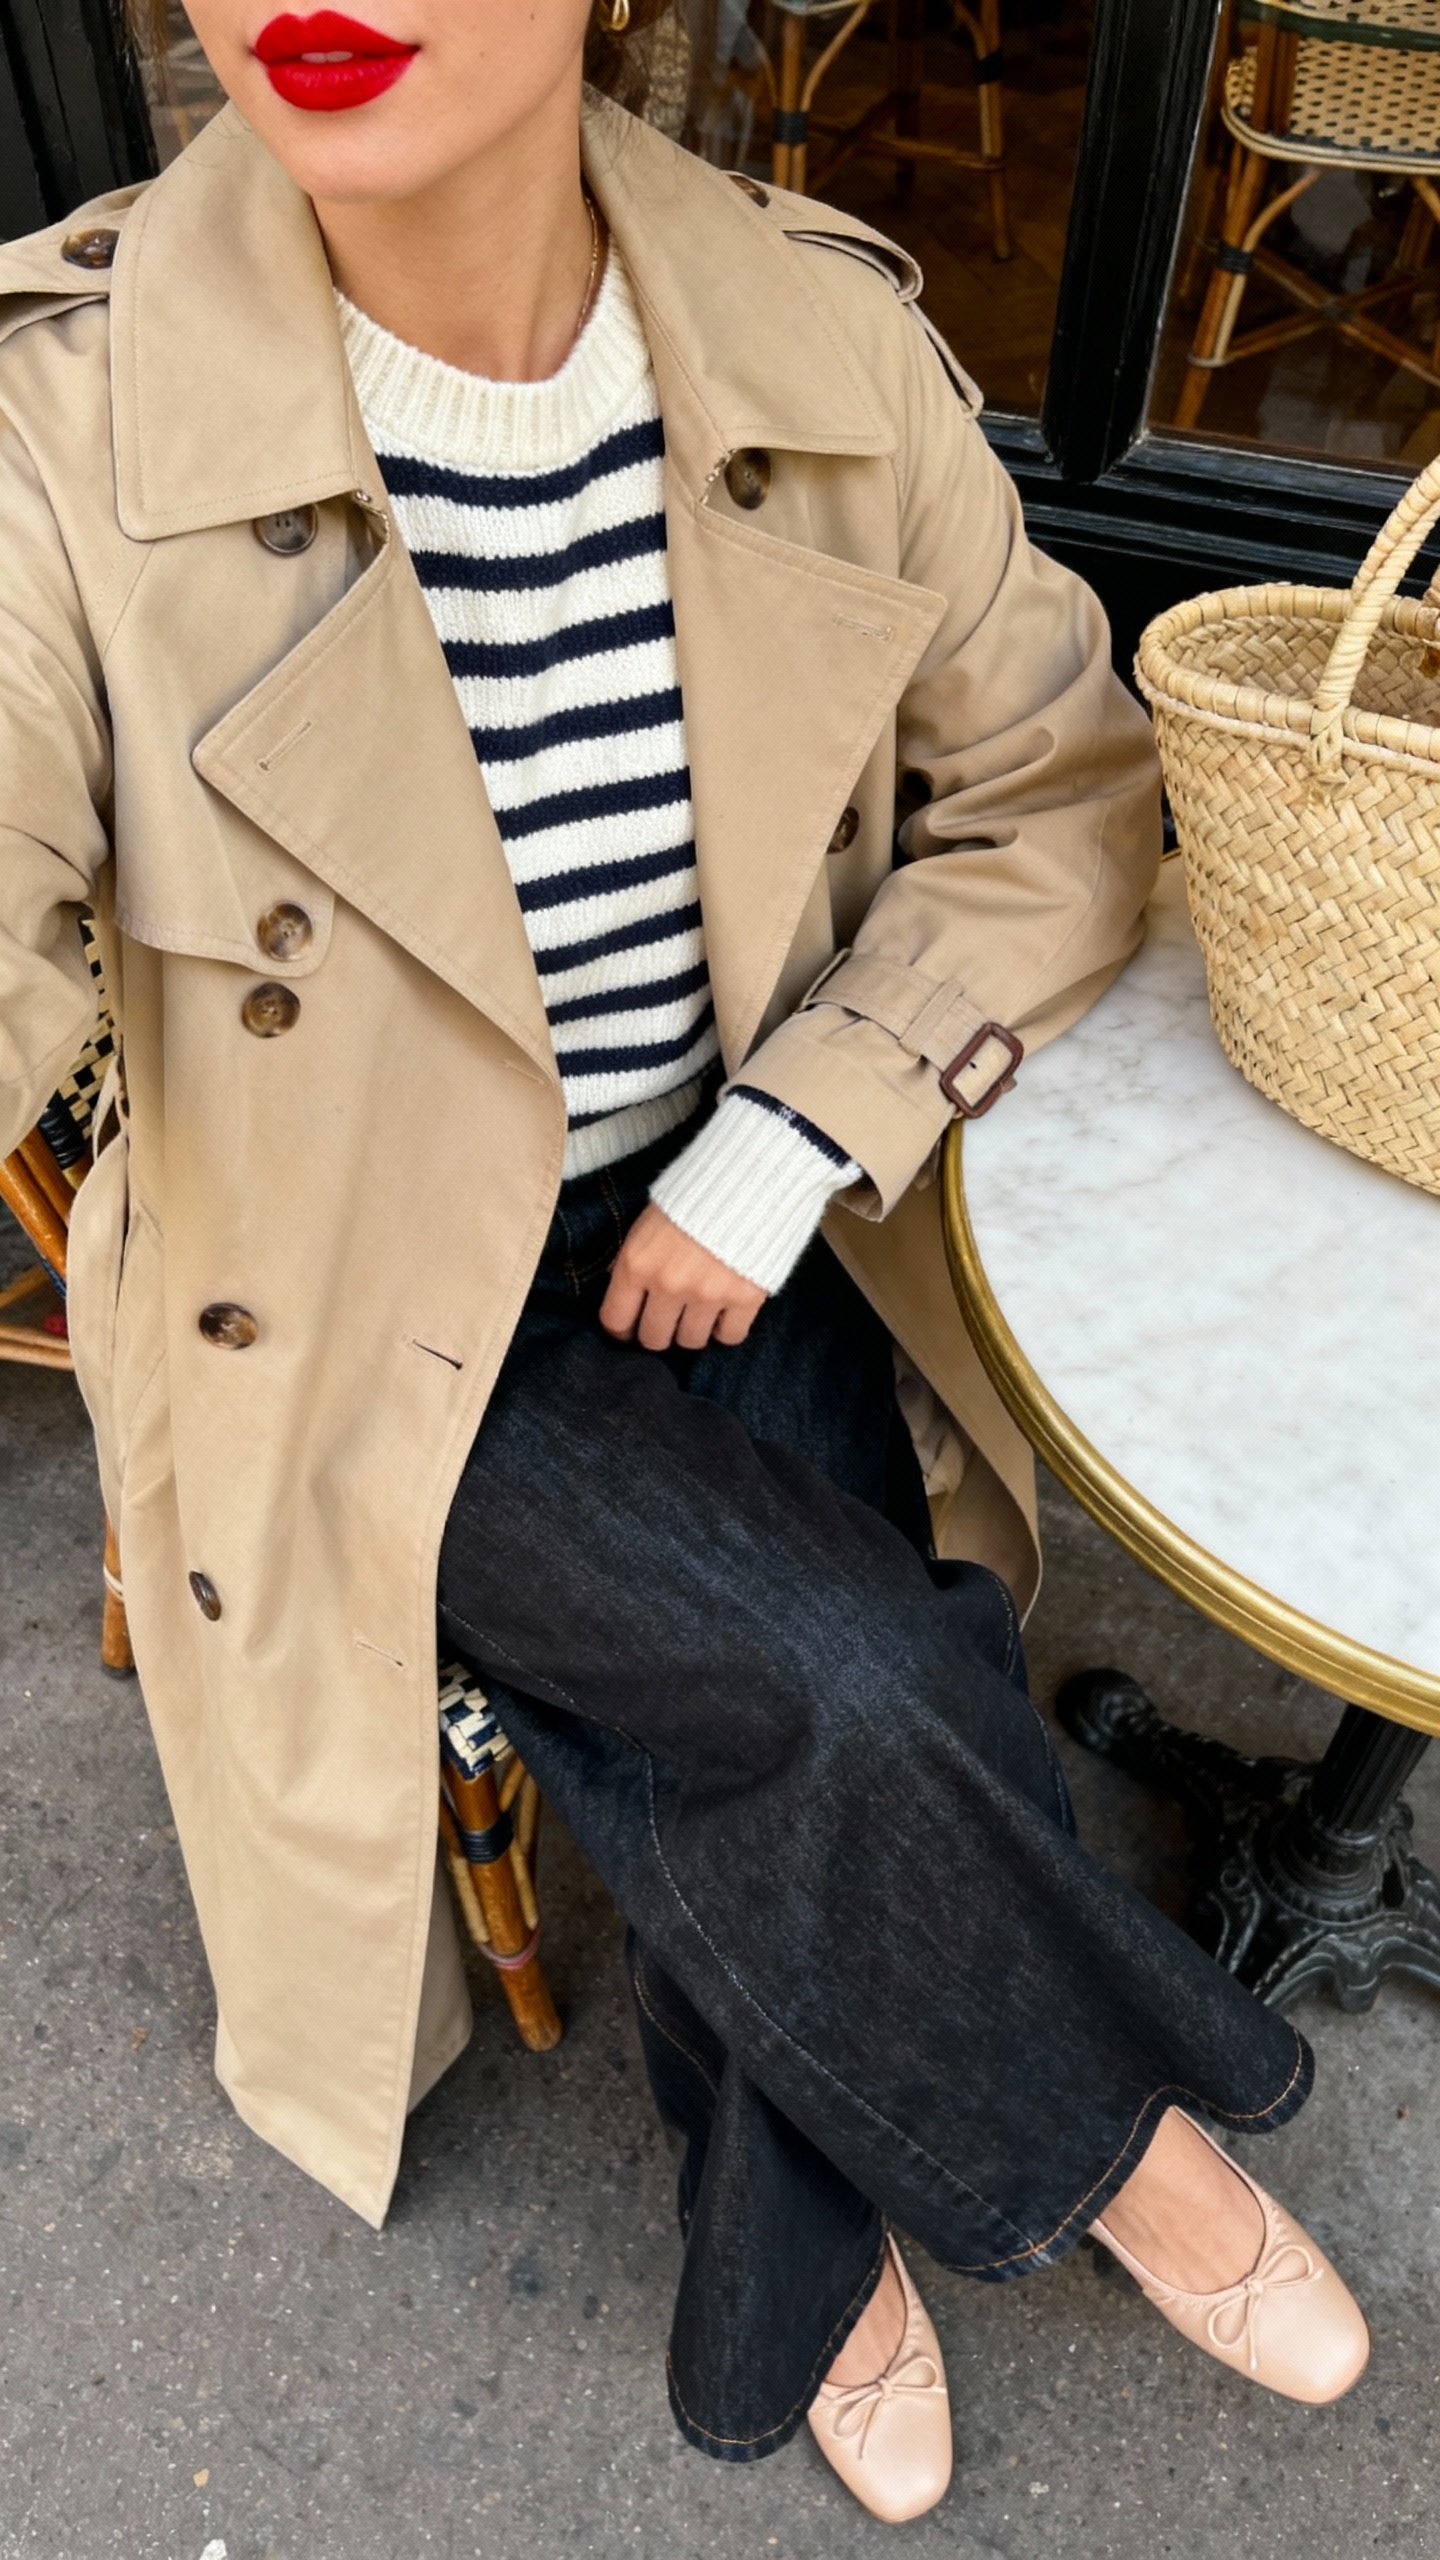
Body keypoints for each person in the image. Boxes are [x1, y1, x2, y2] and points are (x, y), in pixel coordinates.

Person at [0, 0, 1369, 2523]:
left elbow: (1056, 787)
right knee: (852, 1673)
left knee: (810, 1683)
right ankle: (1125, 2134)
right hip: (350, 1300)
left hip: (724, 1212)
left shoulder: (817, 342)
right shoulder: (61, 433)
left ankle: (788, 2267)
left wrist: (796, 1129)